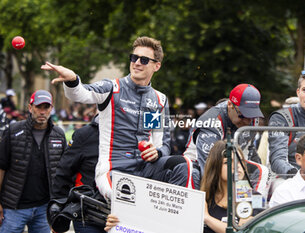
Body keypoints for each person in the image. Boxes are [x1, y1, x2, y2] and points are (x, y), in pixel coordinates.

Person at [41, 36, 195, 200]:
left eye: (143, 60)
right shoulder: (111, 88)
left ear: (156, 66)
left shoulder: (159, 99)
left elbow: (163, 145)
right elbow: (80, 93)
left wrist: (156, 152)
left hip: (146, 171)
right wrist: (72, 80)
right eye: (134, 58)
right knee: (127, 199)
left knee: (184, 165)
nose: (136, 63)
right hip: (114, 172)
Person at [0, 90, 66, 233]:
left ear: (51, 109)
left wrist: (59, 207)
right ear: (30, 108)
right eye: (38, 107)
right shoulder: (13, 131)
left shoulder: (59, 135)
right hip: (13, 208)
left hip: (44, 209)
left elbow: (63, 172)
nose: (42, 112)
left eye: (46, 107)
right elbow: (1, 167)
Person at [183, 84, 265, 187]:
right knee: (193, 172)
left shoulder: (253, 120)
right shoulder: (211, 120)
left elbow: (249, 151)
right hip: (199, 163)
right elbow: (209, 165)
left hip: (233, 162)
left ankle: (253, 203)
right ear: (230, 105)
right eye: (243, 115)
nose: (247, 121)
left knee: (262, 171)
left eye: (251, 115)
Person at [52, 114, 118, 232]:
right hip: (88, 216)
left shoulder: (133, 135)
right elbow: (64, 172)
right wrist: (57, 211)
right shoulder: (84, 135)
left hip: (121, 216)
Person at [201, 140, 258, 233]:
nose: (236, 166)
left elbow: (242, 231)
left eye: (240, 161)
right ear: (215, 167)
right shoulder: (204, 198)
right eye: (228, 162)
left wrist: (207, 219)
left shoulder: (256, 196)